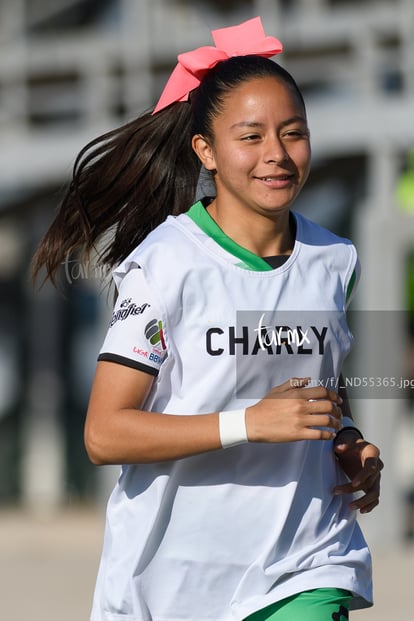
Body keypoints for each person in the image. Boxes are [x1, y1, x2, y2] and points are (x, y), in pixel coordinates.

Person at [32, 16, 383, 621]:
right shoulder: (164, 267)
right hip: (173, 580)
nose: (277, 154)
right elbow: (104, 433)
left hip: (304, 564)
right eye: (250, 137)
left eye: (293, 133)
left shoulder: (335, 260)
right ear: (207, 151)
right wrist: (248, 424)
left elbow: (320, 391)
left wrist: (347, 442)